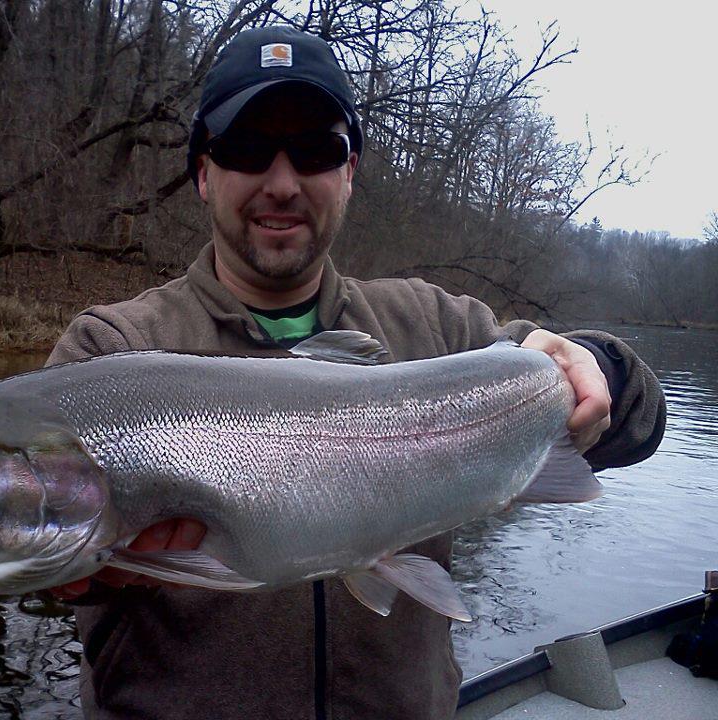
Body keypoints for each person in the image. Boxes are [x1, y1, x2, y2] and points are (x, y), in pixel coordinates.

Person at [46, 26, 666, 720]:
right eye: (248, 149)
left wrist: (599, 368)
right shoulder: (110, 353)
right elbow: (41, 570)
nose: (281, 183)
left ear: (349, 172)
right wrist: (79, 570)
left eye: (315, 150)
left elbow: (637, 423)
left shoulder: (438, 329)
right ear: (201, 172)